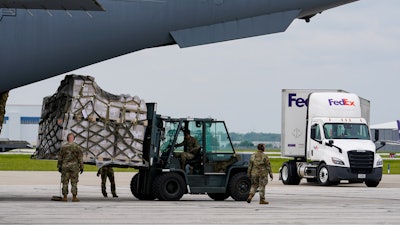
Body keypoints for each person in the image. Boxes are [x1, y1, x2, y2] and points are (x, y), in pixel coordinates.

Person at [57, 133, 84, 202]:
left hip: (65, 167)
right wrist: (81, 166)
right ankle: (74, 197)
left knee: (65, 182)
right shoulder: (77, 147)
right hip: (74, 167)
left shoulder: (63, 147)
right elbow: (80, 158)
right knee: (74, 182)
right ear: (73, 138)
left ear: (67, 139)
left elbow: (60, 158)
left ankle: (65, 197)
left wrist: (59, 166)